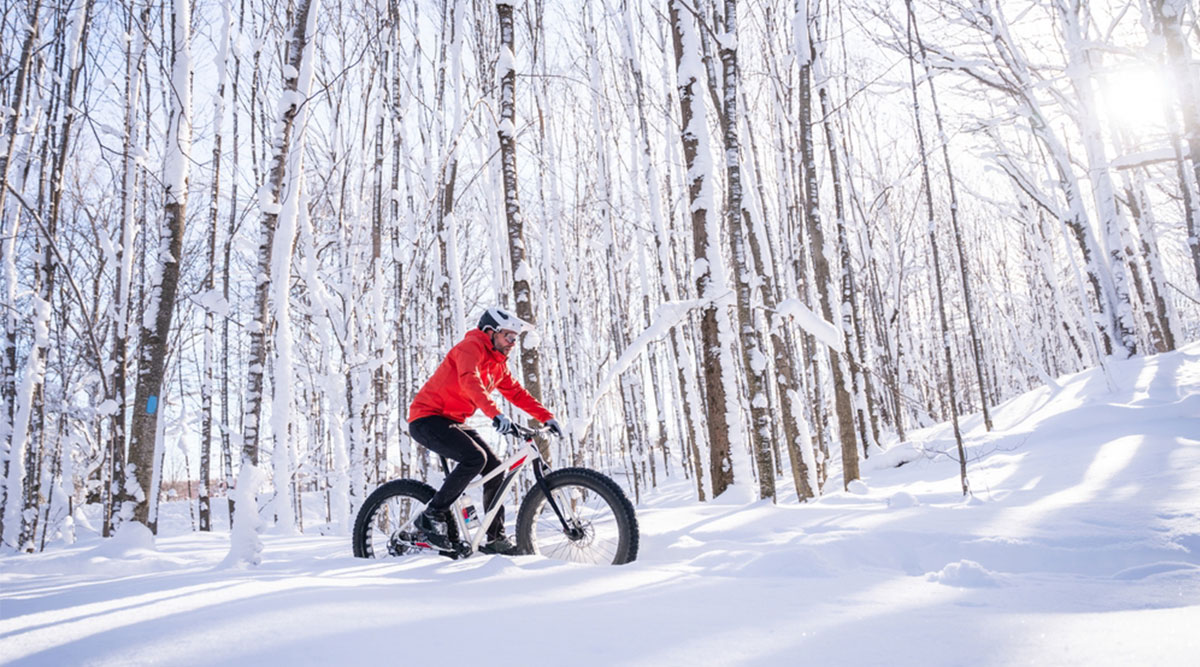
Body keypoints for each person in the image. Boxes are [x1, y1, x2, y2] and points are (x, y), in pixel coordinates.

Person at [407, 307, 562, 555]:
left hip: (453, 420)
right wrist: (495, 414)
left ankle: (495, 539)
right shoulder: (471, 347)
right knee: (474, 458)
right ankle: (431, 516)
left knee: (494, 467)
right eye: (509, 337)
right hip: (427, 418)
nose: (513, 343)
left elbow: (517, 394)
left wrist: (547, 417)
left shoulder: (497, 364)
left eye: (516, 338)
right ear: (490, 332)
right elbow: (470, 380)